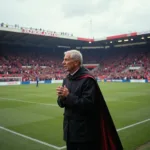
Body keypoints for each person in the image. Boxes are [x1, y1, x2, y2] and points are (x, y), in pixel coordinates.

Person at [56, 50, 123, 150]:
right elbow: (61, 104)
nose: (63, 62)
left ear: (76, 62)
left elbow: (89, 105)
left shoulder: (87, 79)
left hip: (84, 134)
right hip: (69, 131)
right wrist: (61, 98)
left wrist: (68, 96)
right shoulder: (67, 79)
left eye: (66, 60)